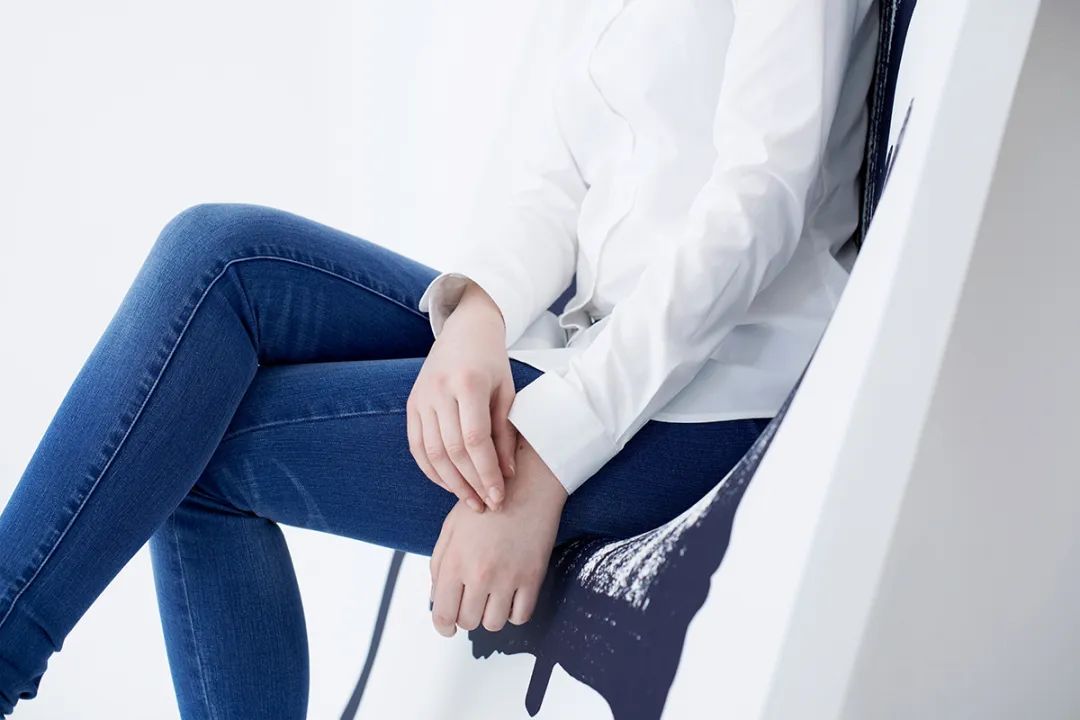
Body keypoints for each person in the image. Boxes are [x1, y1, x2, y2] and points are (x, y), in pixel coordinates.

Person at [0, 0, 878, 717]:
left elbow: (763, 193)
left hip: (707, 397)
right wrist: (476, 317)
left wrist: (547, 454)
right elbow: (554, 175)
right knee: (218, 254)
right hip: (588, 346)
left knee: (191, 448)